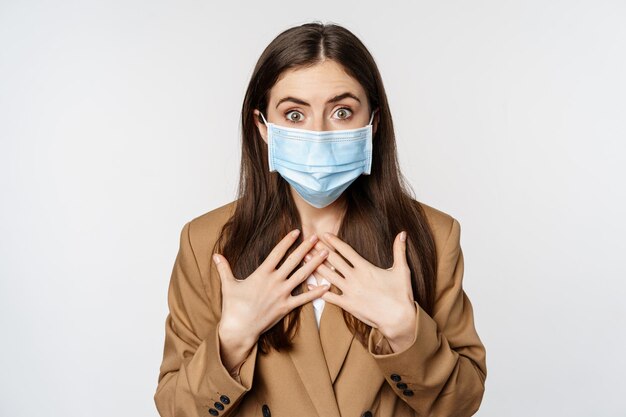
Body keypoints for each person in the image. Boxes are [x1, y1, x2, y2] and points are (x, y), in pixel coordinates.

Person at [154, 21, 487, 417]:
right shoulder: (207, 243)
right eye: (294, 115)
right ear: (262, 127)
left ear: (372, 123)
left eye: (342, 112)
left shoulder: (432, 235)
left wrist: (405, 330)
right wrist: (232, 338)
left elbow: (463, 403)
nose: (319, 134)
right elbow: (175, 409)